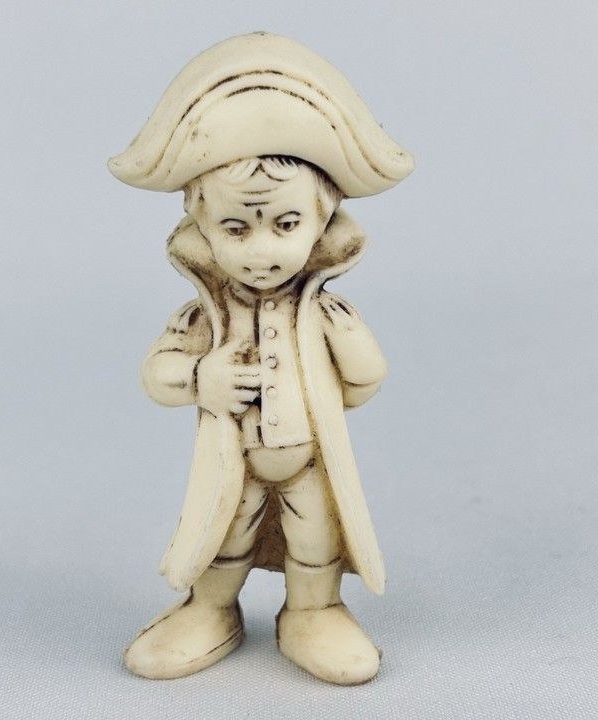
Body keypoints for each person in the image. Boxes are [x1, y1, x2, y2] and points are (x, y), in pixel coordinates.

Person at [109, 32, 412, 685]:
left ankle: (314, 611)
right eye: (236, 228)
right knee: (223, 538)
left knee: (317, 541)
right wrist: (201, 377)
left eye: (286, 224)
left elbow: (362, 385)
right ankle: (210, 609)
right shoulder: (205, 316)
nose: (261, 251)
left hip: (309, 462)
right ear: (203, 227)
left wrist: (354, 347)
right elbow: (158, 372)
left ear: (322, 220)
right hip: (235, 463)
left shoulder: (324, 313)